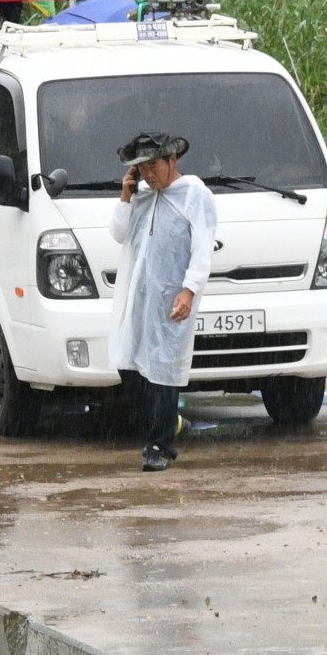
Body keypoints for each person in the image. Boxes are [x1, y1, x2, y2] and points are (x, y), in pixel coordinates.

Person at [109, 132, 217, 471]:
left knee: (164, 370)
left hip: (173, 296)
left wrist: (189, 289)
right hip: (139, 297)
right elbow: (118, 233)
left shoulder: (194, 195)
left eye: (153, 166)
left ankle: (159, 445)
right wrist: (126, 195)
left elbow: (203, 246)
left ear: (173, 161)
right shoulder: (142, 196)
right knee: (129, 366)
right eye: (141, 168)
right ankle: (168, 424)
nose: (148, 174)